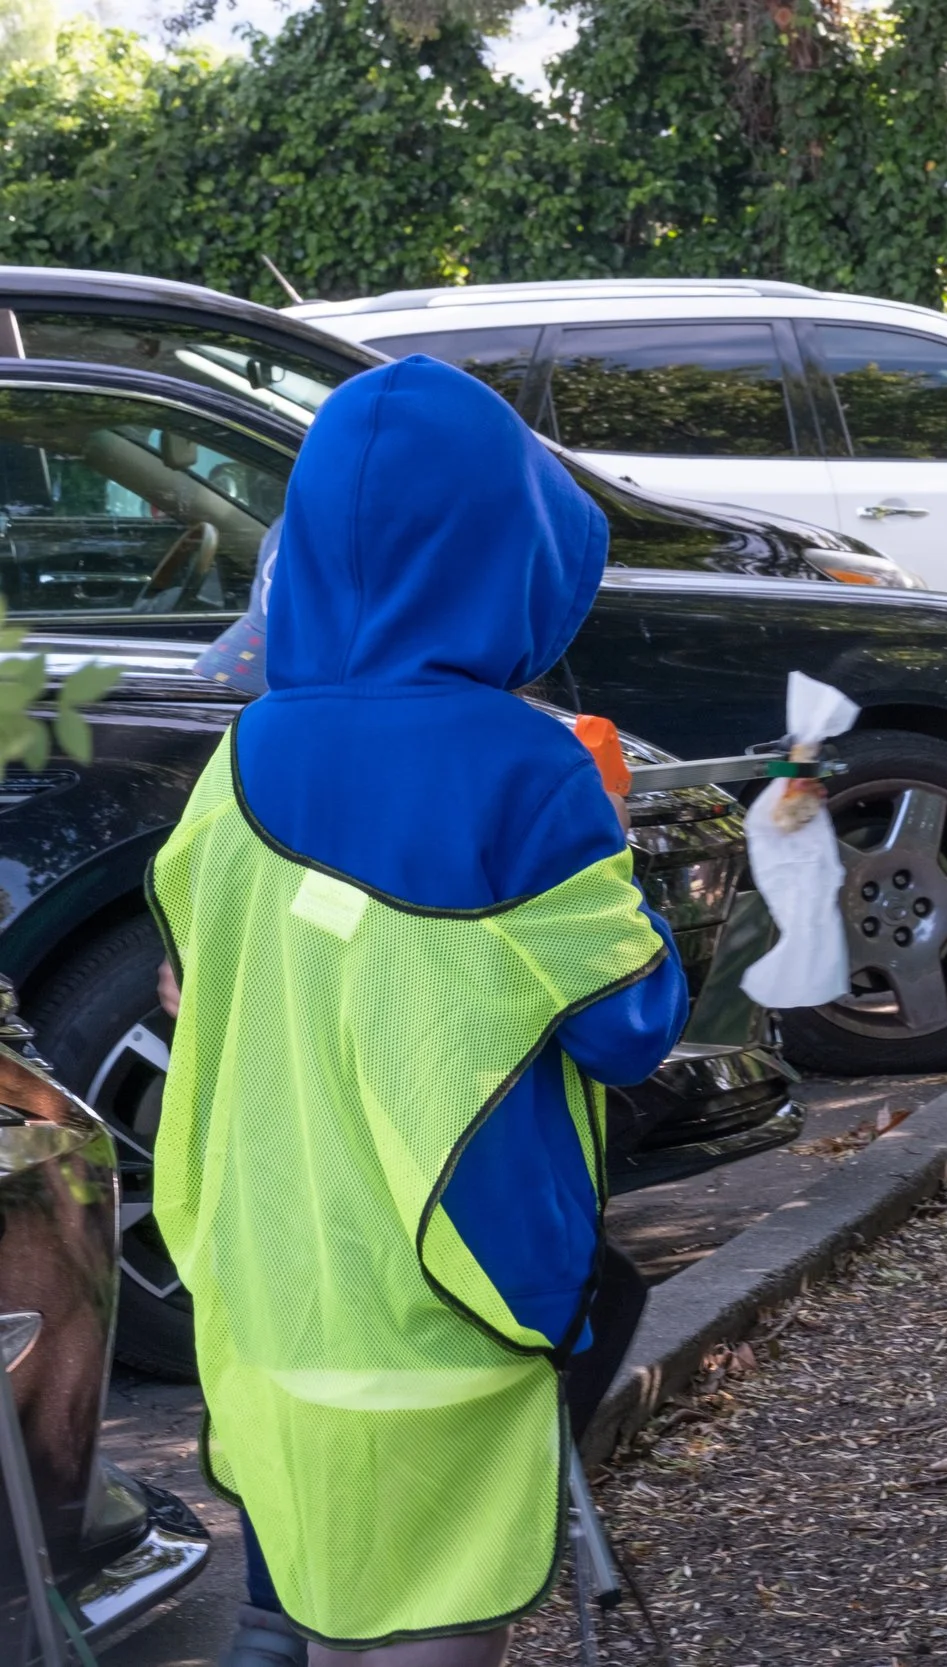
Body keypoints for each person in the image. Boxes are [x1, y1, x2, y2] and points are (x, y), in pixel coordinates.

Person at [150, 357, 688, 1667]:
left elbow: (191, 974)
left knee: (326, 1612)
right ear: (509, 552)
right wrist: (625, 866)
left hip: (272, 1293)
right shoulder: (532, 770)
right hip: (457, 1289)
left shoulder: (238, 758)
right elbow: (628, 1025)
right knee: (432, 1624)